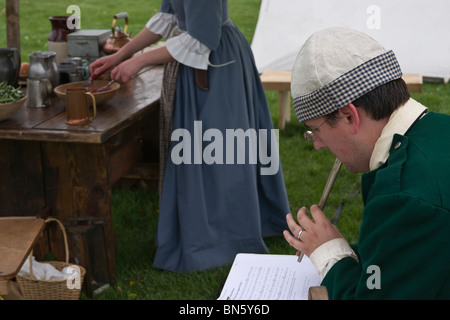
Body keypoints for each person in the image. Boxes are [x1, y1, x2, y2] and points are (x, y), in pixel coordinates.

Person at [90, 0, 290, 273]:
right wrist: (120, 56)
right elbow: (169, 15)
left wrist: (138, 61)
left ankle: (224, 238)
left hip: (215, 64)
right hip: (198, 62)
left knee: (221, 153)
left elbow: (200, 39)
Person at [283, 27, 450, 299]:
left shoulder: (403, 197)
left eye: (316, 130)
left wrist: (331, 256)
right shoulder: (441, 128)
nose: (317, 144)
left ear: (349, 116)